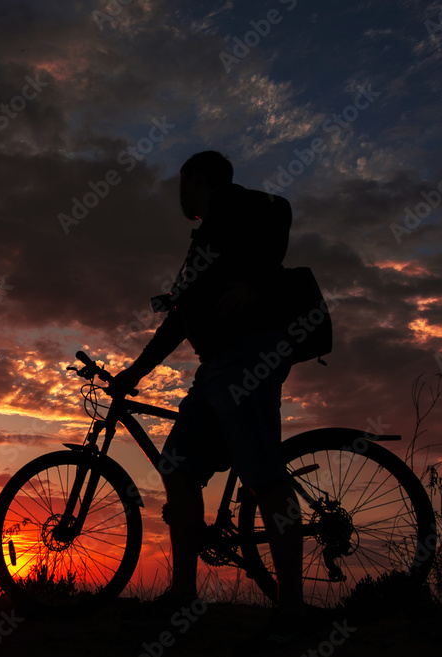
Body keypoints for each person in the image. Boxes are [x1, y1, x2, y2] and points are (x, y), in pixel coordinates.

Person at [111, 150, 304, 636]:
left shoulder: (234, 207)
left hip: (247, 357)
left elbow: (280, 209)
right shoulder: (209, 236)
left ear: (196, 180)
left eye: (182, 183)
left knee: (264, 477)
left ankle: (292, 611)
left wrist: (260, 282)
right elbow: (181, 319)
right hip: (216, 367)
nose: (179, 194)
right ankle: (183, 596)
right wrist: (135, 372)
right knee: (177, 466)